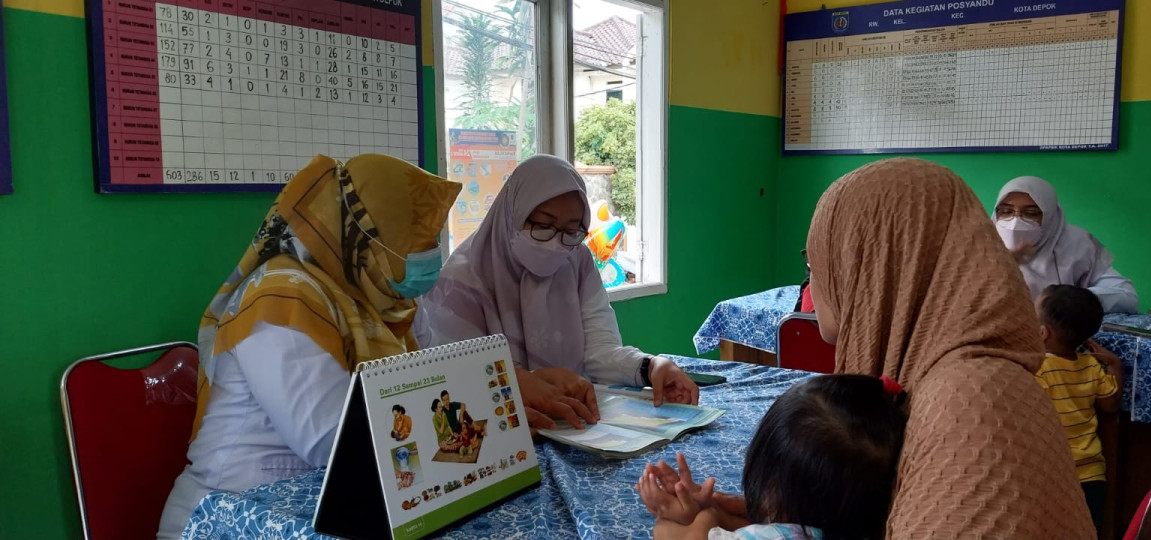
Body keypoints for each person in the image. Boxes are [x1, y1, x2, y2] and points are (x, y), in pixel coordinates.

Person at [646, 159, 1095, 538]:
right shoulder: (954, 375)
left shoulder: (969, 405)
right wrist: (767, 517)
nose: (816, 278)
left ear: (875, 262)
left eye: (819, 258)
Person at [156, 154, 461, 539]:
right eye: (421, 235)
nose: (432, 249)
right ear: (367, 231)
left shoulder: (385, 297)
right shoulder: (281, 299)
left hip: (327, 505)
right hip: (234, 516)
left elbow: (447, 374)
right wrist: (459, 424)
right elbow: (332, 443)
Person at [415, 155, 698, 430]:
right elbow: (451, 378)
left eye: (571, 230)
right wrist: (525, 381)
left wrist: (649, 366)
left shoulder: (575, 259)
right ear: (512, 215)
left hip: (575, 422)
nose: (555, 243)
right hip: (502, 435)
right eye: (542, 225)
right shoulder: (463, 280)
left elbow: (598, 349)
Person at [637, 375, 907, 540]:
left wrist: (691, 518)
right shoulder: (850, 528)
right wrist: (716, 513)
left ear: (773, 485)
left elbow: (670, 535)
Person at [1033, 284, 1123, 531]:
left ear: (1042, 332)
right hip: (1092, 473)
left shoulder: (1038, 369)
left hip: (1053, 472)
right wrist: (1115, 366)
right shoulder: (1091, 366)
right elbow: (1110, 406)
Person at [992, 176, 1138, 313]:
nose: (1016, 222)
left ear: (1051, 217)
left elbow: (1126, 296)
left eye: (1031, 213)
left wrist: (1066, 301)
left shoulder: (1075, 243)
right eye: (1006, 211)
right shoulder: (982, 246)